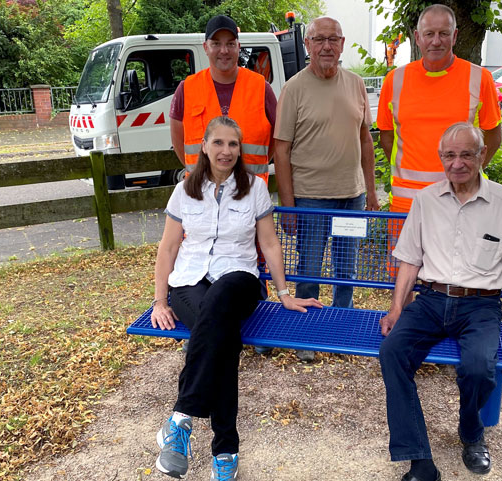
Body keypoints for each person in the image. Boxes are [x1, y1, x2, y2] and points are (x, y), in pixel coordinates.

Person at [378, 123, 502, 480]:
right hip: (431, 300)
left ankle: (471, 432)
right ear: (441, 159)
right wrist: (396, 309)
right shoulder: (426, 200)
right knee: (392, 352)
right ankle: (420, 460)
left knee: (480, 367)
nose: (458, 163)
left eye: (466, 154)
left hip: (480, 306)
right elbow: (409, 259)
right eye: (450, 155)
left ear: (481, 156)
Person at [150, 116, 322, 480]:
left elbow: (269, 243)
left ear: (240, 149)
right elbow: (167, 249)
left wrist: (285, 294)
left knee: (221, 306)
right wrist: (160, 301)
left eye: (233, 144)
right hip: (188, 282)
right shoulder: (184, 190)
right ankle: (225, 448)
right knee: (223, 339)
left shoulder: (255, 187)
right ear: (205, 147)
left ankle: (181, 419)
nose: (226, 151)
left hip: (239, 279)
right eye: (218, 143)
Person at [274, 16, 378, 362]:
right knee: (310, 267)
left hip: (352, 196)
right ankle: (307, 332)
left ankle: (342, 326)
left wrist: (372, 192)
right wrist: (288, 205)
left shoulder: (356, 84)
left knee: (346, 268)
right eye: (319, 40)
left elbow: (366, 141)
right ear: (307, 45)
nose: (326, 47)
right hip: (311, 198)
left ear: (343, 43)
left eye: (333, 39)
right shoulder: (294, 88)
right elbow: (281, 150)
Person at [377, 4, 502, 214]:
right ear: (417, 37)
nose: (436, 41)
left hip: (462, 200)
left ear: (455, 37)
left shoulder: (480, 78)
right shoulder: (394, 80)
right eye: (429, 34)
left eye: (444, 33)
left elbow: (493, 137)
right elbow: (386, 138)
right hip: (406, 202)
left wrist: (469, 173)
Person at [169, 15, 277, 184]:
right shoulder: (186, 89)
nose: (224, 50)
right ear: (206, 47)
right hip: (202, 192)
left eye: (230, 43)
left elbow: (276, 140)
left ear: (238, 47)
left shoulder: (261, 87)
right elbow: (178, 143)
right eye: (216, 43)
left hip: (249, 192)